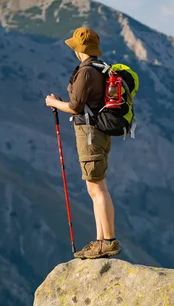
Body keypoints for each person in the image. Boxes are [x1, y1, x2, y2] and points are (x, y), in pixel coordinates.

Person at [45, 26, 121, 259]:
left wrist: (53, 103)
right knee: (94, 186)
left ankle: (108, 241)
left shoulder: (87, 72)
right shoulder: (100, 68)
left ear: (79, 50)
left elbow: (75, 106)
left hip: (90, 133)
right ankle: (100, 240)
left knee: (97, 187)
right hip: (98, 132)